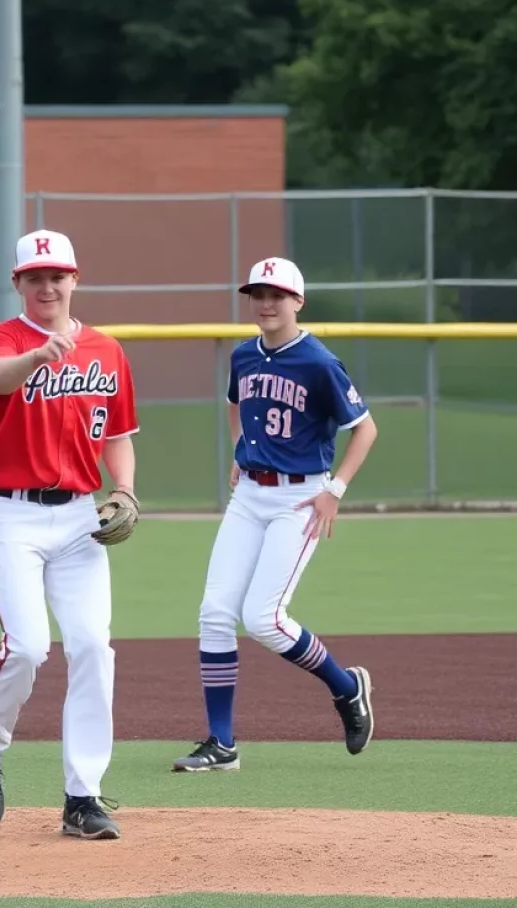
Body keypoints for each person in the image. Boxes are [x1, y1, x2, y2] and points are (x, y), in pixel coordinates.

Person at [0, 228, 141, 842]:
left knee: (93, 646)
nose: (47, 286)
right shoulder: (3, 339)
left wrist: (123, 489)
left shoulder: (107, 350)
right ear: (18, 283)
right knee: (28, 647)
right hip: (8, 513)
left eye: (56, 276)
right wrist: (39, 355)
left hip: (77, 516)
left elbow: (117, 435)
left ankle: (82, 797)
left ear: (74, 280)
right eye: (34, 277)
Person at [171, 256, 378, 774]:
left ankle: (347, 688)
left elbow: (366, 429)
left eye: (277, 295)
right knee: (215, 613)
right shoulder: (243, 355)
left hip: (300, 498)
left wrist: (335, 489)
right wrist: (241, 453)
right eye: (257, 294)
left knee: (263, 619)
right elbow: (234, 403)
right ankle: (222, 743)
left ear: (298, 302)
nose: (265, 303)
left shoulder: (319, 362)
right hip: (249, 498)